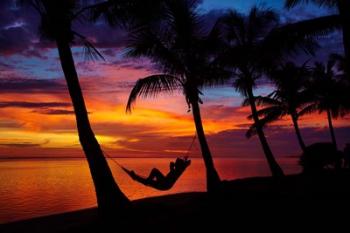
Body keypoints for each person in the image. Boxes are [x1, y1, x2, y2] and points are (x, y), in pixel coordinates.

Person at [124, 157, 191, 191]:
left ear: (178, 165)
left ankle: (143, 180)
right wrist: (184, 161)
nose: (175, 163)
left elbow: (185, 164)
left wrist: (172, 165)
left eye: (176, 162)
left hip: (164, 184)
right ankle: (135, 177)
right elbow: (187, 163)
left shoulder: (177, 170)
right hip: (165, 183)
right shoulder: (178, 169)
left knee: (154, 171)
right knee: (150, 181)